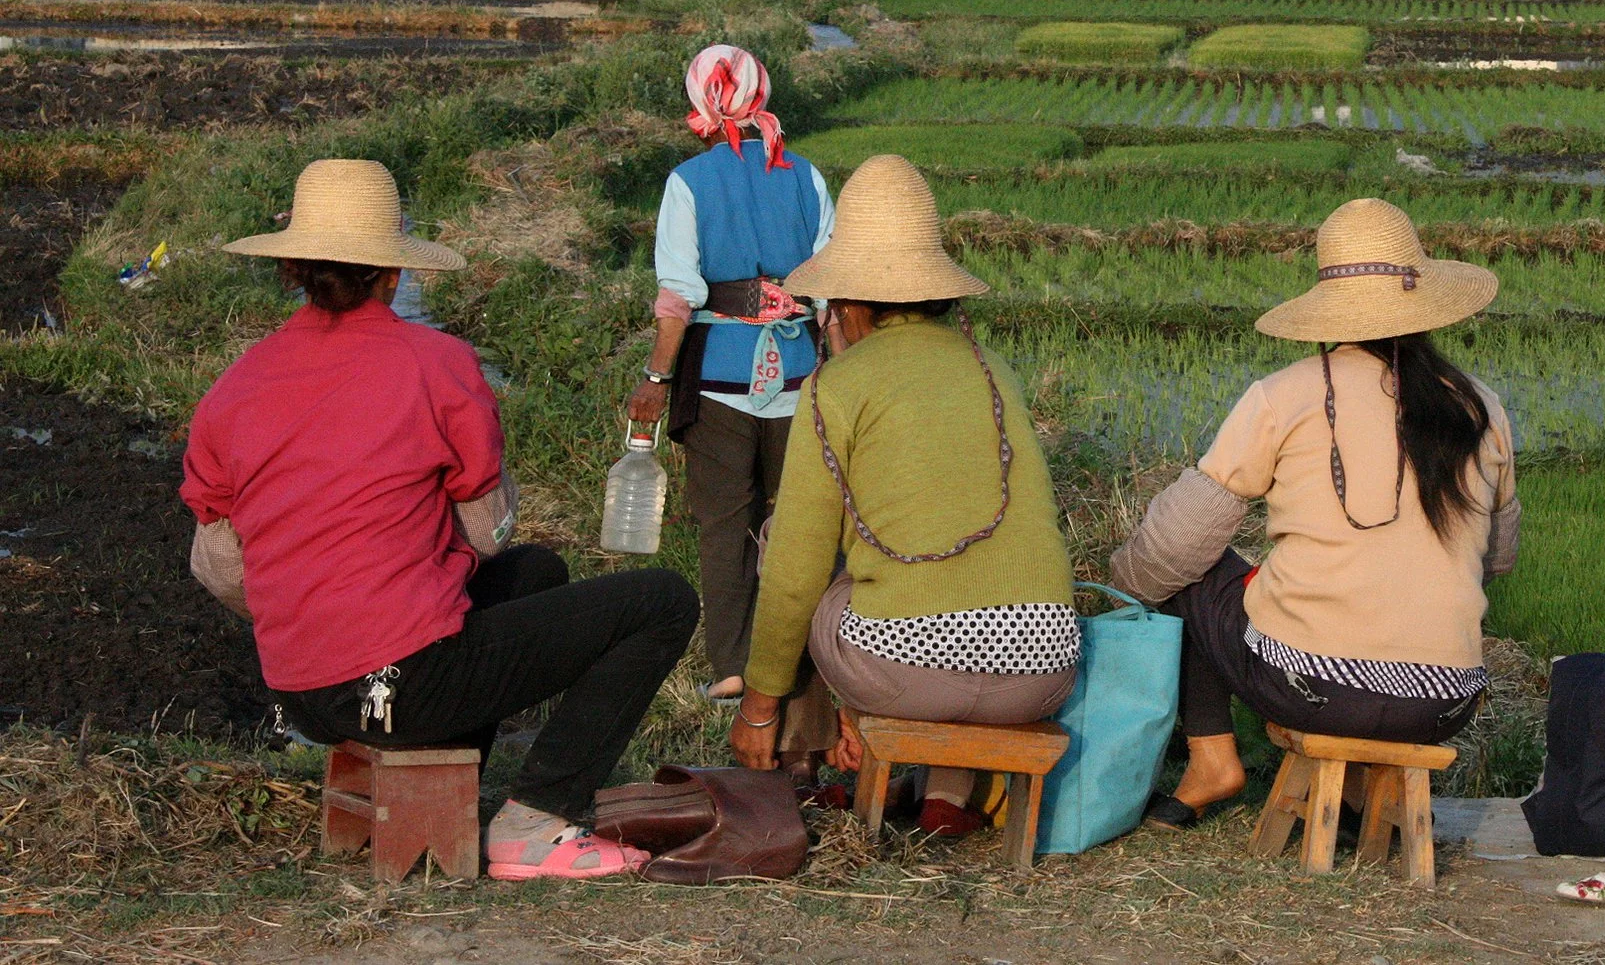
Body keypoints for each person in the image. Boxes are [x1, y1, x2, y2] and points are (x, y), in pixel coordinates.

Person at [184, 159, 697, 882]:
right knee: (662, 600)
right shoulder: (436, 362)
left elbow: (218, 563)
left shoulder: (239, 381)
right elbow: (486, 529)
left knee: (536, 573)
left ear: (292, 268)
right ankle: (537, 821)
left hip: (299, 690)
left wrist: (315, 609)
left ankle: (443, 791)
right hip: (398, 684)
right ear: (394, 274)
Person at [1109, 198, 1522, 829]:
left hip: (1317, 691)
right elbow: (1497, 559)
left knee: (1190, 570)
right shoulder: (1480, 406)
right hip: (1445, 702)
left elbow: (1175, 546)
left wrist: (1123, 584)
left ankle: (1211, 764)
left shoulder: (1284, 395)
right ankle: (1356, 793)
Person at [729, 155, 1077, 837]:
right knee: (955, 585)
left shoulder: (837, 386)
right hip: (1041, 671)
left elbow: (797, 568)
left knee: (799, 559)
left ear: (850, 302)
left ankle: (820, 749)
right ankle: (944, 795)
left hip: (904, 672)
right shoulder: (993, 370)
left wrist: (759, 708)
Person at [624, 44, 835, 706]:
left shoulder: (688, 182)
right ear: (761, 95)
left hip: (717, 380)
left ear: (700, 105)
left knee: (725, 527)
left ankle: (735, 667)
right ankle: (803, 663)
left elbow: (678, 298)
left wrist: (656, 381)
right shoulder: (806, 177)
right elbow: (830, 293)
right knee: (799, 526)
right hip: (800, 376)